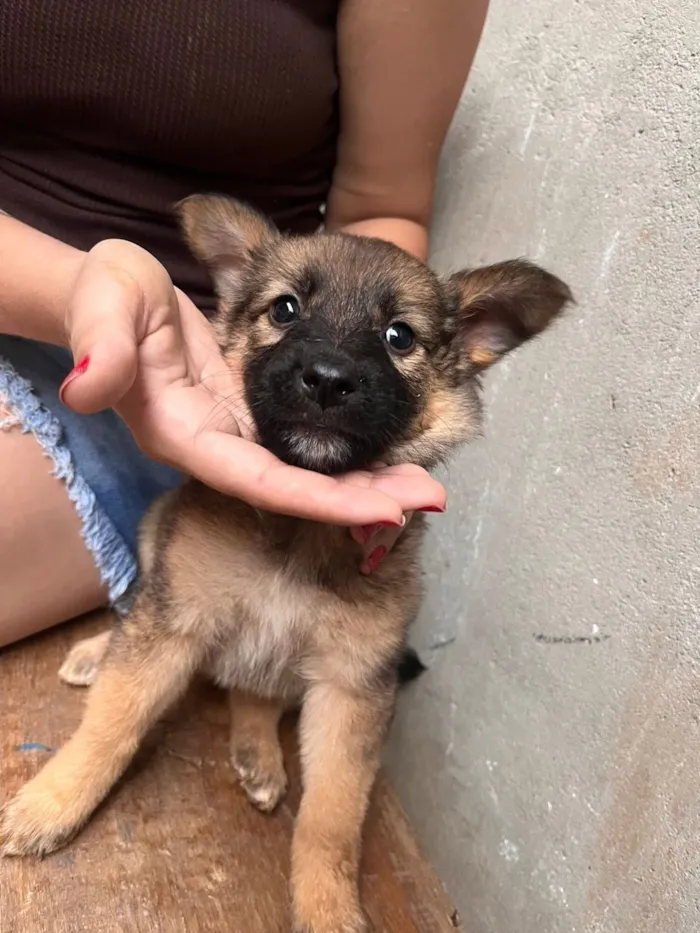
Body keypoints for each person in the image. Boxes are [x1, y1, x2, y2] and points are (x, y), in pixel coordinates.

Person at [0, 0, 489, 647]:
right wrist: (70, 289)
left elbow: (381, 208)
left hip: (169, 374)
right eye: (288, 311)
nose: (328, 370)